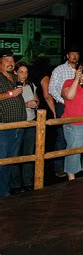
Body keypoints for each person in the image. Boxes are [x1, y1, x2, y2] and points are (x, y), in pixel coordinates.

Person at [48, 46, 80, 177]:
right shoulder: (59, 69)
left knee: (77, 136)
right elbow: (51, 89)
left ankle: (73, 167)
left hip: (79, 107)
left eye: (76, 54)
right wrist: (63, 101)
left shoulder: (82, 70)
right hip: (64, 105)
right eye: (72, 54)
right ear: (67, 56)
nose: (74, 56)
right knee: (62, 137)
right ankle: (59, 168)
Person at [0, 49, 27, 198]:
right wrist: (11, 94)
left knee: (10, 162)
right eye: (7, 61)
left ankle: (5, 191)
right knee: (2, 162)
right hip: (4, 127)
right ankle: (2, 193)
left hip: (18, 127)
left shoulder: (13, 78)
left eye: (12, 61)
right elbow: (11, 96)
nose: (11, 63)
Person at [10, 63, 39, 193]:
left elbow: (37, 100)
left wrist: (35, 104)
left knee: (29, 154)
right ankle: (15, 184)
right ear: (15, 72)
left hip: (30, 123)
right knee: (15, 154)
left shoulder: (31, 85)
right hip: (16, 123)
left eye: (26, 72)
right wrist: (25, 104)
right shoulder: (11, 86)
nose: (24, 74)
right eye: (21, 71)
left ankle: (27, 182)